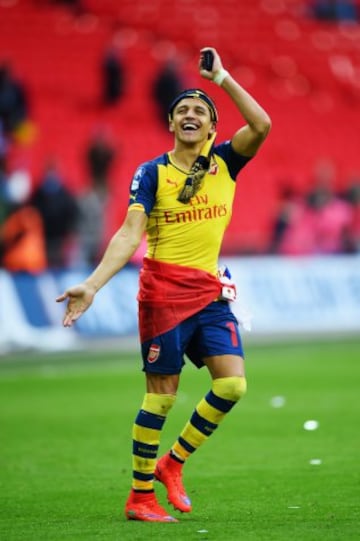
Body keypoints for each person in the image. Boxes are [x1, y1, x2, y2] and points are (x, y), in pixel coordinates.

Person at [56, 47, 271, 523]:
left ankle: (172, 464)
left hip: (210, 292)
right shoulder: (151, 173)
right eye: (182, 112)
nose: (190, 115)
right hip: (164, 294)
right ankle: (139, 497)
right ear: (171, 125)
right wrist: (92, 285)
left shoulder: (225, 164)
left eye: (200, 111)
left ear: (212, 128)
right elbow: (130, 232)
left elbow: (262, 126)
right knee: (162, 397)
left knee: (232, 386)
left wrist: (224, 80)